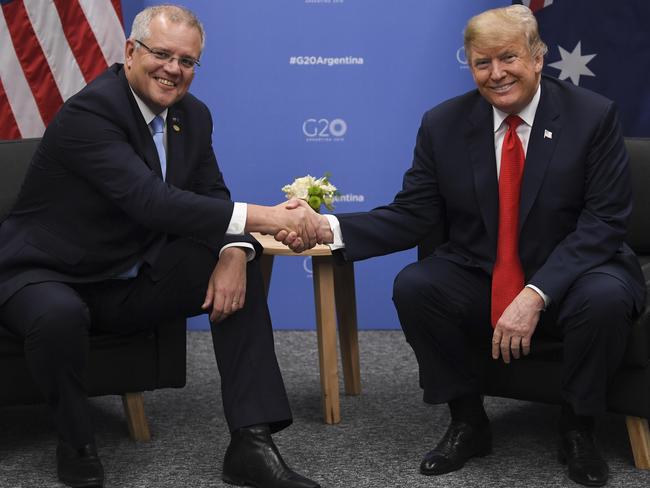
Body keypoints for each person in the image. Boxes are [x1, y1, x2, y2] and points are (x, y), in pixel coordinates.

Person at [283, 5, 646, 487]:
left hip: (577, 271)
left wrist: (536, 294)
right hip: (485, 269)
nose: (496, 74)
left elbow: (602, 224)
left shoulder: (592, 116)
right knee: (417, 286)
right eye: (482, 62)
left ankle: (578, 426)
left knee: (605, 298)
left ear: (538, 58)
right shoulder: (444, 124)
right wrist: (328, 228)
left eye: (508, 58)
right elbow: (413, 213)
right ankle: (468, 421)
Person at [0, 5, 320, 488]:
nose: (174, 69)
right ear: (130, 51)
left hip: (123, 278)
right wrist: (270, 219)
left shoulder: (193, 116)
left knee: (241, 267)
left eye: (187, 61)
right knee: (59, 314)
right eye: (162, 54)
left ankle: (251, 443)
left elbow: (211, 195)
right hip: (44, 274)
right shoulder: (91, 111)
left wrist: (236, 251)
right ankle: (76, 443)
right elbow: (151, 202)